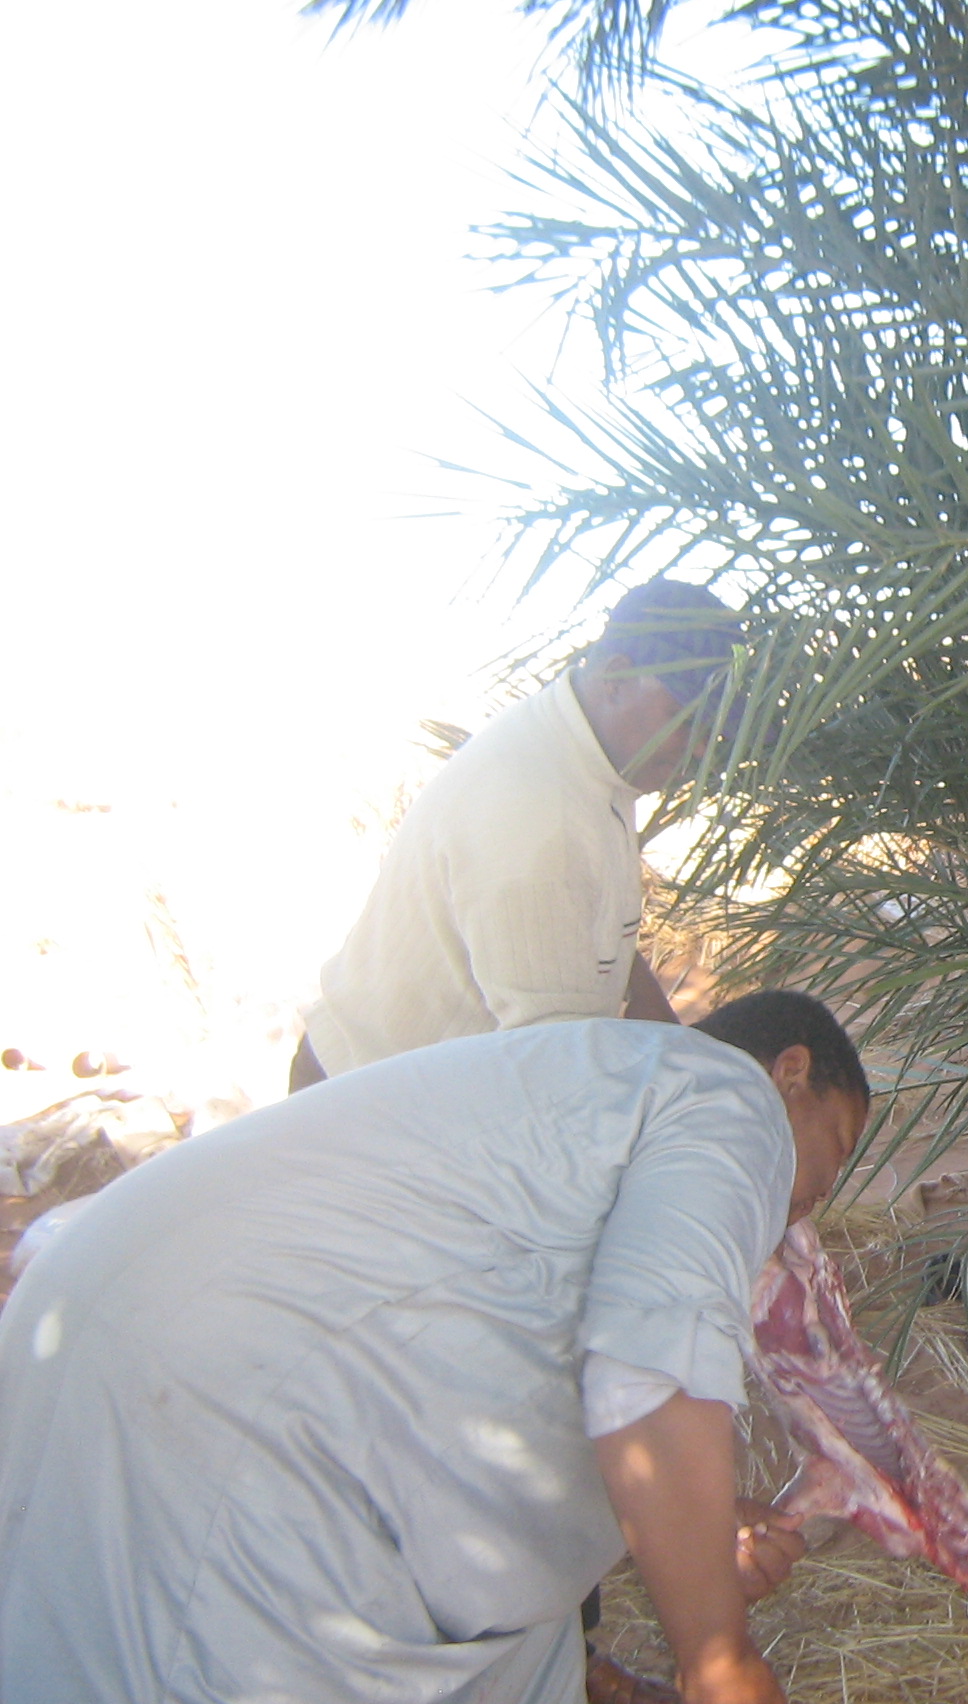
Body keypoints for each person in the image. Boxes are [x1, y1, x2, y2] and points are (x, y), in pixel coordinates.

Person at [0, 990, 867, 1704]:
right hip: (221, 1408)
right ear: (791, 1074)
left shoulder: (595, 1089)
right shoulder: (732, 1097)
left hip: (103, 1333)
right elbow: (650, 1363)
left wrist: (696, 1520)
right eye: (829, 1156)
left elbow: (550, 1381)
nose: (810, 1205)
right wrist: (720, 1661)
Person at [291, 578, 745, 1091]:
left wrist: (684, 1056)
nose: (704, 748)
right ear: (617, 679)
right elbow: (554, 1064)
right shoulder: (535, 814)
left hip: (416, 1083)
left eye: (715, 726)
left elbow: (595, 941)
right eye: (686, 719)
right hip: (363, 1100)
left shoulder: (588, 756)